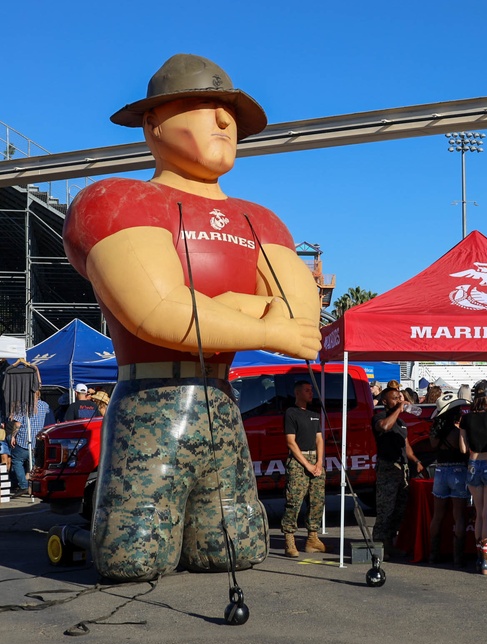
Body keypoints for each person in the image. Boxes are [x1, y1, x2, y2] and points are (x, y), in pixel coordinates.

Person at [63, 54, 322, 581]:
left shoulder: (261, 219)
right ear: (154, 123)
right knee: (133, 557)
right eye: (206, 106)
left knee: (234, 549)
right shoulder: (119, 199)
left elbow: (302, 324)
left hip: (221, 404)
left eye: (230, 113)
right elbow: (156, 312)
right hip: (150, 404)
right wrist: (258, 318)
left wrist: (212, 309)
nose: (225, 122)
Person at [372, 388, 425, 558]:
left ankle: (391, 543)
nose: (398, 400)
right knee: (385, 510)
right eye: (394, 399)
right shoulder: (380, 418)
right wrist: (398, 408)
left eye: (399, 398)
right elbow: (385, 427)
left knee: (399, 509)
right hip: (387, 468)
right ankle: (379, 547)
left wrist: (416, 461)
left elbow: (406, 445)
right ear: (385, 402)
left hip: (401, 469)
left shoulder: (401, 422)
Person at [460, 388, 487, 574]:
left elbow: (463, 449)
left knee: (479, 513)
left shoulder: (466, 418)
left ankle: (480, 558)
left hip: (473, 464)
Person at [280, 381, 326, 558]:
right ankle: (289, 539)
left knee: (317, 500)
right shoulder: (291, 413)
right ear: (297, 393)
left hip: (315, 459)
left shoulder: (315, 415)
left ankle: (312, 538)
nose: (311, 393)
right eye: (307, 390)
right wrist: (307, 464)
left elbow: (319, 439)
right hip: (299, 461)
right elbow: (291, 442)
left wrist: (319, 462)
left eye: (311, 390)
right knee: (294, 500)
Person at [426, 392, 469, 566]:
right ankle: (458, 558)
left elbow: (433, 446)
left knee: (437, 516)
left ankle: (433, 555)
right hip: (458, 470)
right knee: (459, 516)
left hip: (440, 471)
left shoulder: (435, 432)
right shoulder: (457, 431)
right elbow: (464, 449)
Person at [7, 390, 54, 497]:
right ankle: (32, 486)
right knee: (33, 464)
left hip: (24, 439)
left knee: (17, 461)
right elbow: (46, 413)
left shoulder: (24, 407)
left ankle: (23, 485)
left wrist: (13, 436)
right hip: (36, 440)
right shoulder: (45, 405)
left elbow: (17, 424)